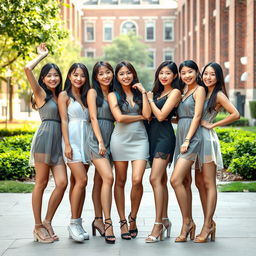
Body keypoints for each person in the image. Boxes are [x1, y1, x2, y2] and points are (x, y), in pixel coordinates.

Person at [25, 43, 67, 243]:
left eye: (56, 75)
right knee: (41, 183)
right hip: (44, 140)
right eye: (49, 75)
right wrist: (42, 56)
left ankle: (48, 221)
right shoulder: (40, 93)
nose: (53, 78)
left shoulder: (60, 96)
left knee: (62, 183)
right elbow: (27, 69)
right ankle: (37, 226)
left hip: (57, 143)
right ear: (43, 78)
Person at [193, 62, 240, 243]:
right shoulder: (200, 91)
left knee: (208, 182)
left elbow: (235, 114)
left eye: (212, 74)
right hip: (195, 139)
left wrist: (212, 124)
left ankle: (207, 225)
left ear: (218, 77)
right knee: (198, 182)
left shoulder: (218, 94)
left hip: (206, 139)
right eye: (206, 73)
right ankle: (209, 221)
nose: (208, 77)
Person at [108, 61, 151, 240]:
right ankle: (123, 221)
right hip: (120, 140)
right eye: (121, 74)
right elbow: (119, 118)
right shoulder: (113, 95)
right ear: (117, 77)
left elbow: (149, 114)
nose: (125, 76)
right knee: (120, 180)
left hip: (140, 139)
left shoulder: (141, 94)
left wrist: (143, 92)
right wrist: (140, 116)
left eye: (128, 73)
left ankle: (133, 217)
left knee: (137, 180)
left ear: (133, 74)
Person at [145, 61, 181, 243]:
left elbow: (160, 116)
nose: (164, 76)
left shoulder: (175, 92)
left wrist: (149, 98)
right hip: (152, 136)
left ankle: (158, 223)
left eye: (168, 73)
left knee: (154, 178)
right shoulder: (158, 93)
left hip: (164, 138)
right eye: (161, 72)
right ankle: (166, 219)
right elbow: (147, 115)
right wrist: (149, 97)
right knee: (161, 180)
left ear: (175, 76)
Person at [170, 60, 206, 242]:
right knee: (184, 181)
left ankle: (187, 222)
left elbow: (197, 116)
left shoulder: (199, 90)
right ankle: (188, 221)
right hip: (181, 135)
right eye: (183, 73)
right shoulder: (183, 92)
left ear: (196, 71)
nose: (187, 76)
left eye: (190, 72)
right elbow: (182, 117)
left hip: (192, 137)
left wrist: (186, 139)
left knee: (174, 179)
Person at [58, 63, 90, 242]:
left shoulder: (85, 95)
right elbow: (63, 120)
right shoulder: (64, 95)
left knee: (78, 182)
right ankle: (73, 222)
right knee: (82, 180)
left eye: (82, 75)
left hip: (85, 140)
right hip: (72, 140)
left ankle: (77, 223)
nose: (79, 78)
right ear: (69, 76)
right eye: (75, 75)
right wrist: (67, 145)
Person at [86, 61, 116, 244]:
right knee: (108, 178)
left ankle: (97, 219)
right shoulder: (93, 92)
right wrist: (99, 141)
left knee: (100, 180)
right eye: (101, 74)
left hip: (112, 137)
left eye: (108, 72)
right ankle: (107, 222)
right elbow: (93, 118)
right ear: (96, 77)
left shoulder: (113, 93)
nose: (105, 76)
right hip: (97, 140)